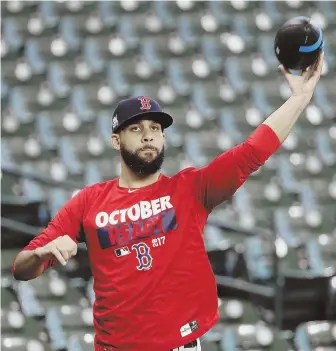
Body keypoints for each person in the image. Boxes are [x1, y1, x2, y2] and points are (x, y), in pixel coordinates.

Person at [12, 52, 324, 351]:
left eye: (156, 128)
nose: (148, 135)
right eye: (136, 128)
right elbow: (21, 268)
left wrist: (299, 100)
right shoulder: (88, 201)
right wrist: (42, 253)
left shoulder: (190, 189)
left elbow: (253, 151)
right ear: (115, 140)